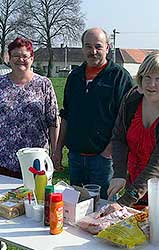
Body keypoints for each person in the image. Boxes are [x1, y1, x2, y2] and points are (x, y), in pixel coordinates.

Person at [0, 37, 59, 250]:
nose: (21, 59)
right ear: (8, 58)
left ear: (32, 58)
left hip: (35, 162)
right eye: (16, 55)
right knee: (2, 202)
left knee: (34, 204)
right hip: (3, 157)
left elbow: (53, 121)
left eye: (25, 55)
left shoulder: (44, 84)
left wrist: (55, 151)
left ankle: (30, 246)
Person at [53, 27, 133, 199]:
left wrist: (108, 152)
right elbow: (66, 115)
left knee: (102, 210)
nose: (93, 51)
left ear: (107, 48)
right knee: (76, 207)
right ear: (82, 48)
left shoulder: (120, 77)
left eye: (98, 46)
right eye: (88, 46)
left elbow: (127, 121)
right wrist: (58, 149)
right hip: (75, 158)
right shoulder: (74, 77)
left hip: (104, 160)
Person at [107, 50, 159, 207]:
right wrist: (119, 174)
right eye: (147, 77)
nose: (151, 84)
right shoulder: (131, 100)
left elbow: (158, 163)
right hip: (135, 184)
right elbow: (119, 138)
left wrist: (124, 202)